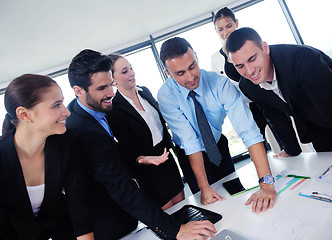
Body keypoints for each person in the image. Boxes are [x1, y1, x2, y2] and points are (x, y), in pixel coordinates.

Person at [65, 49, 216, 240]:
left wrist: (138, 158)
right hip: (107, 225)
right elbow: (121, 188)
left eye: (111, 85)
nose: (111, 93)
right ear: (78, 90)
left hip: (128, 215)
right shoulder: (80, 130)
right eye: (102, 88)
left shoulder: (93, 108)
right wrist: (175, 229)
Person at [157, 37, 277, 213]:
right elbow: (190, 142)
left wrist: (266, 184)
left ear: (196, 57)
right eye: (180, 73)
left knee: (235, 194)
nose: (191, 78)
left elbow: (249, 131)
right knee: (210, 206)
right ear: (168, 73)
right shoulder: (166, 96)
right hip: (189, 155)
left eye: (192, 67)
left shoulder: (219, 83)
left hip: (218, 145)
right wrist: (204, 188)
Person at [0, 74, 93, 240]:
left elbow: (78, 203)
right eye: (56, 105)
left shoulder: (66, 141)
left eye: (63, 102)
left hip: (64, 231)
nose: (67, 112)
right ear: (24, 115)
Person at [226, 27, 332, 152]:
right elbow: (274, 115)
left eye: (252, 59)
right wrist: (290, 149)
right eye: (240, 66)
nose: (249, 71)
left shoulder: (302, 59)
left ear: (265, 48)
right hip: (318, 127)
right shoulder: (248, 86)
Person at [211, 7, 301, 158]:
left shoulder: (250, 44)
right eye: (220, 29)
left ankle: (292, 152)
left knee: (280, 125)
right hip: (246, 103)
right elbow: (222, 85)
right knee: (255, 136)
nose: (225, 32)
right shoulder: (216, 58)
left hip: (265, 93)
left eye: (229, 26)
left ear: (236, 23)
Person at [106, 53, 185, 210]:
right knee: (170, 216)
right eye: (124, 71)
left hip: (167, 159)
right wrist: (145, 159)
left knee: (184, 206)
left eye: (131, 68)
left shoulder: (145, 92)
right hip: (148, 170)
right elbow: (126, 149)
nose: (131, 73)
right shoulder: (114, 109)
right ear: (112, 80)